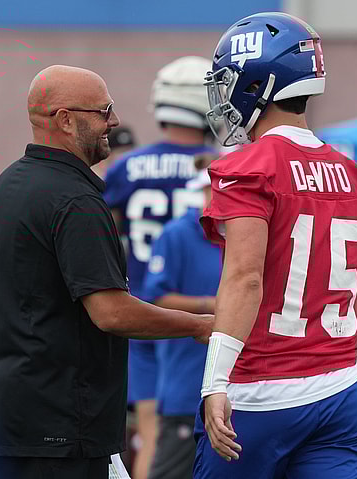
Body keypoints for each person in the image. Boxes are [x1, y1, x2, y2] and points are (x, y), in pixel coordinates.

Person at [0, 64, 213, 479]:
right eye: (104, 111)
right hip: (62, 426)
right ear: (65, 120)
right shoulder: (76, 199)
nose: (114, 122)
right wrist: (200, 324)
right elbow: (111, 312)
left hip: (8, 414)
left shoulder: (9, 183)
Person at [194, 13, 357, 479]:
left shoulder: (250, 167)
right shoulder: (354, 176)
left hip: (261, 396)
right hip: (342, 393)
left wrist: (215, 381)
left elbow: (245, 277)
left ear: (258, 84)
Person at [103, 56, 216, 479]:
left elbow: (104, 234)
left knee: (152, 432)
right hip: (201, 314)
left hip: (141, 310)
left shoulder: (128, 167)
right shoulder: (222, 164)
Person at [141, 154, 221, 479]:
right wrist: (212, 305)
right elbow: (156, 297)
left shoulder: (247, 234)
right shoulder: (178, 234)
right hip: (187, 387)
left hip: (239, 391)